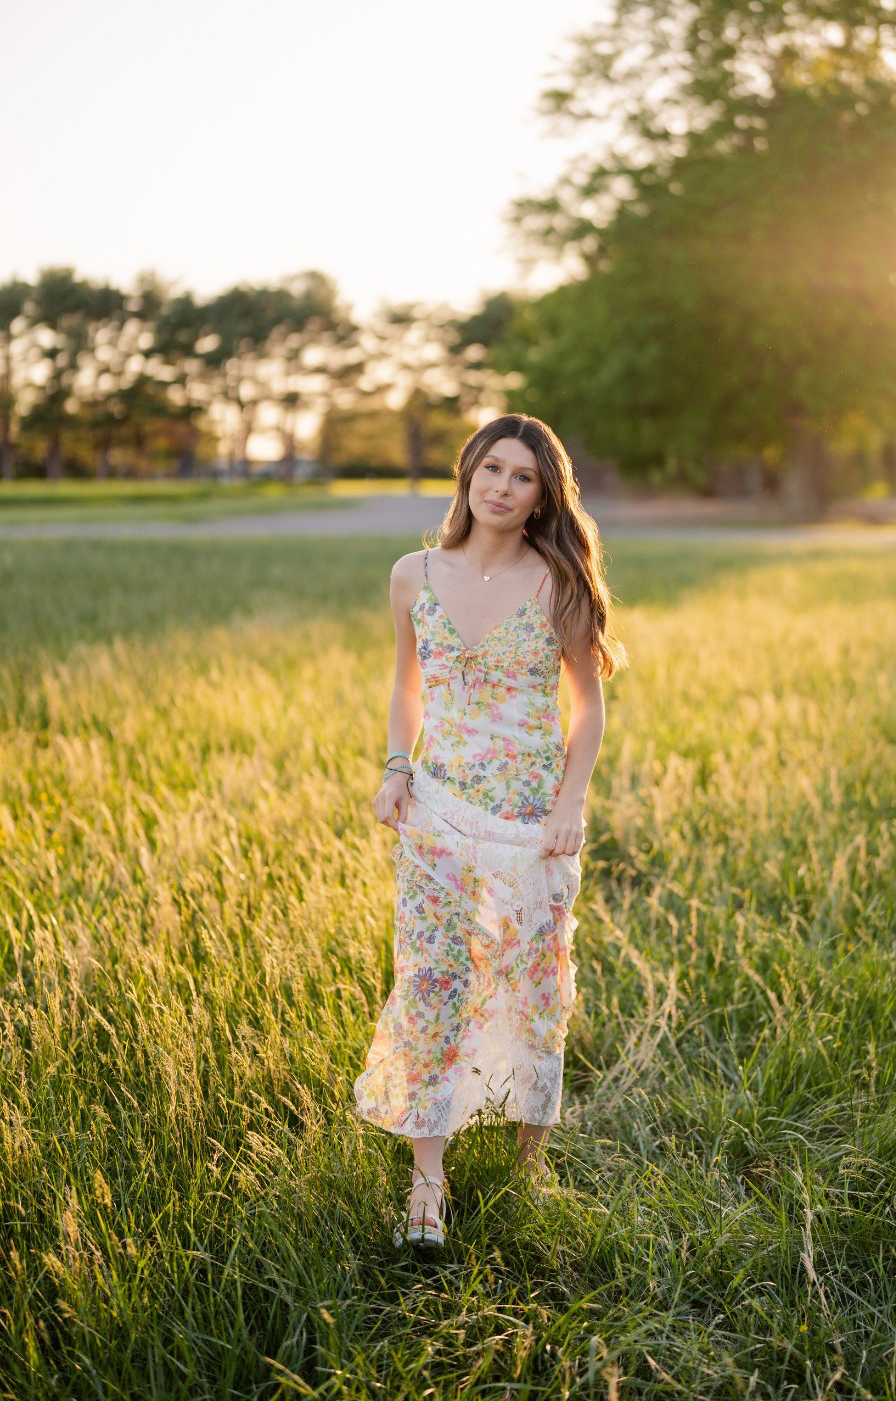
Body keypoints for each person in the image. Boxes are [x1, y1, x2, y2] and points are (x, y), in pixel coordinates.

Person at [353, 414, 628, 1251]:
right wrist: (399, 765)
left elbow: (589, 709)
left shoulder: (556, 580)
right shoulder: (413, 573)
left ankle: (529, 1166)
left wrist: (569, 807)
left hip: (528, 820)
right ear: (468, 471)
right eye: (493, 468)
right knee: (432, 981)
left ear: (544, 495)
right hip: (436, 812)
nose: (502, 487)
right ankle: (426, 1185)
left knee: (531, 987)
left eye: (524, 477)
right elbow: (409, 685)